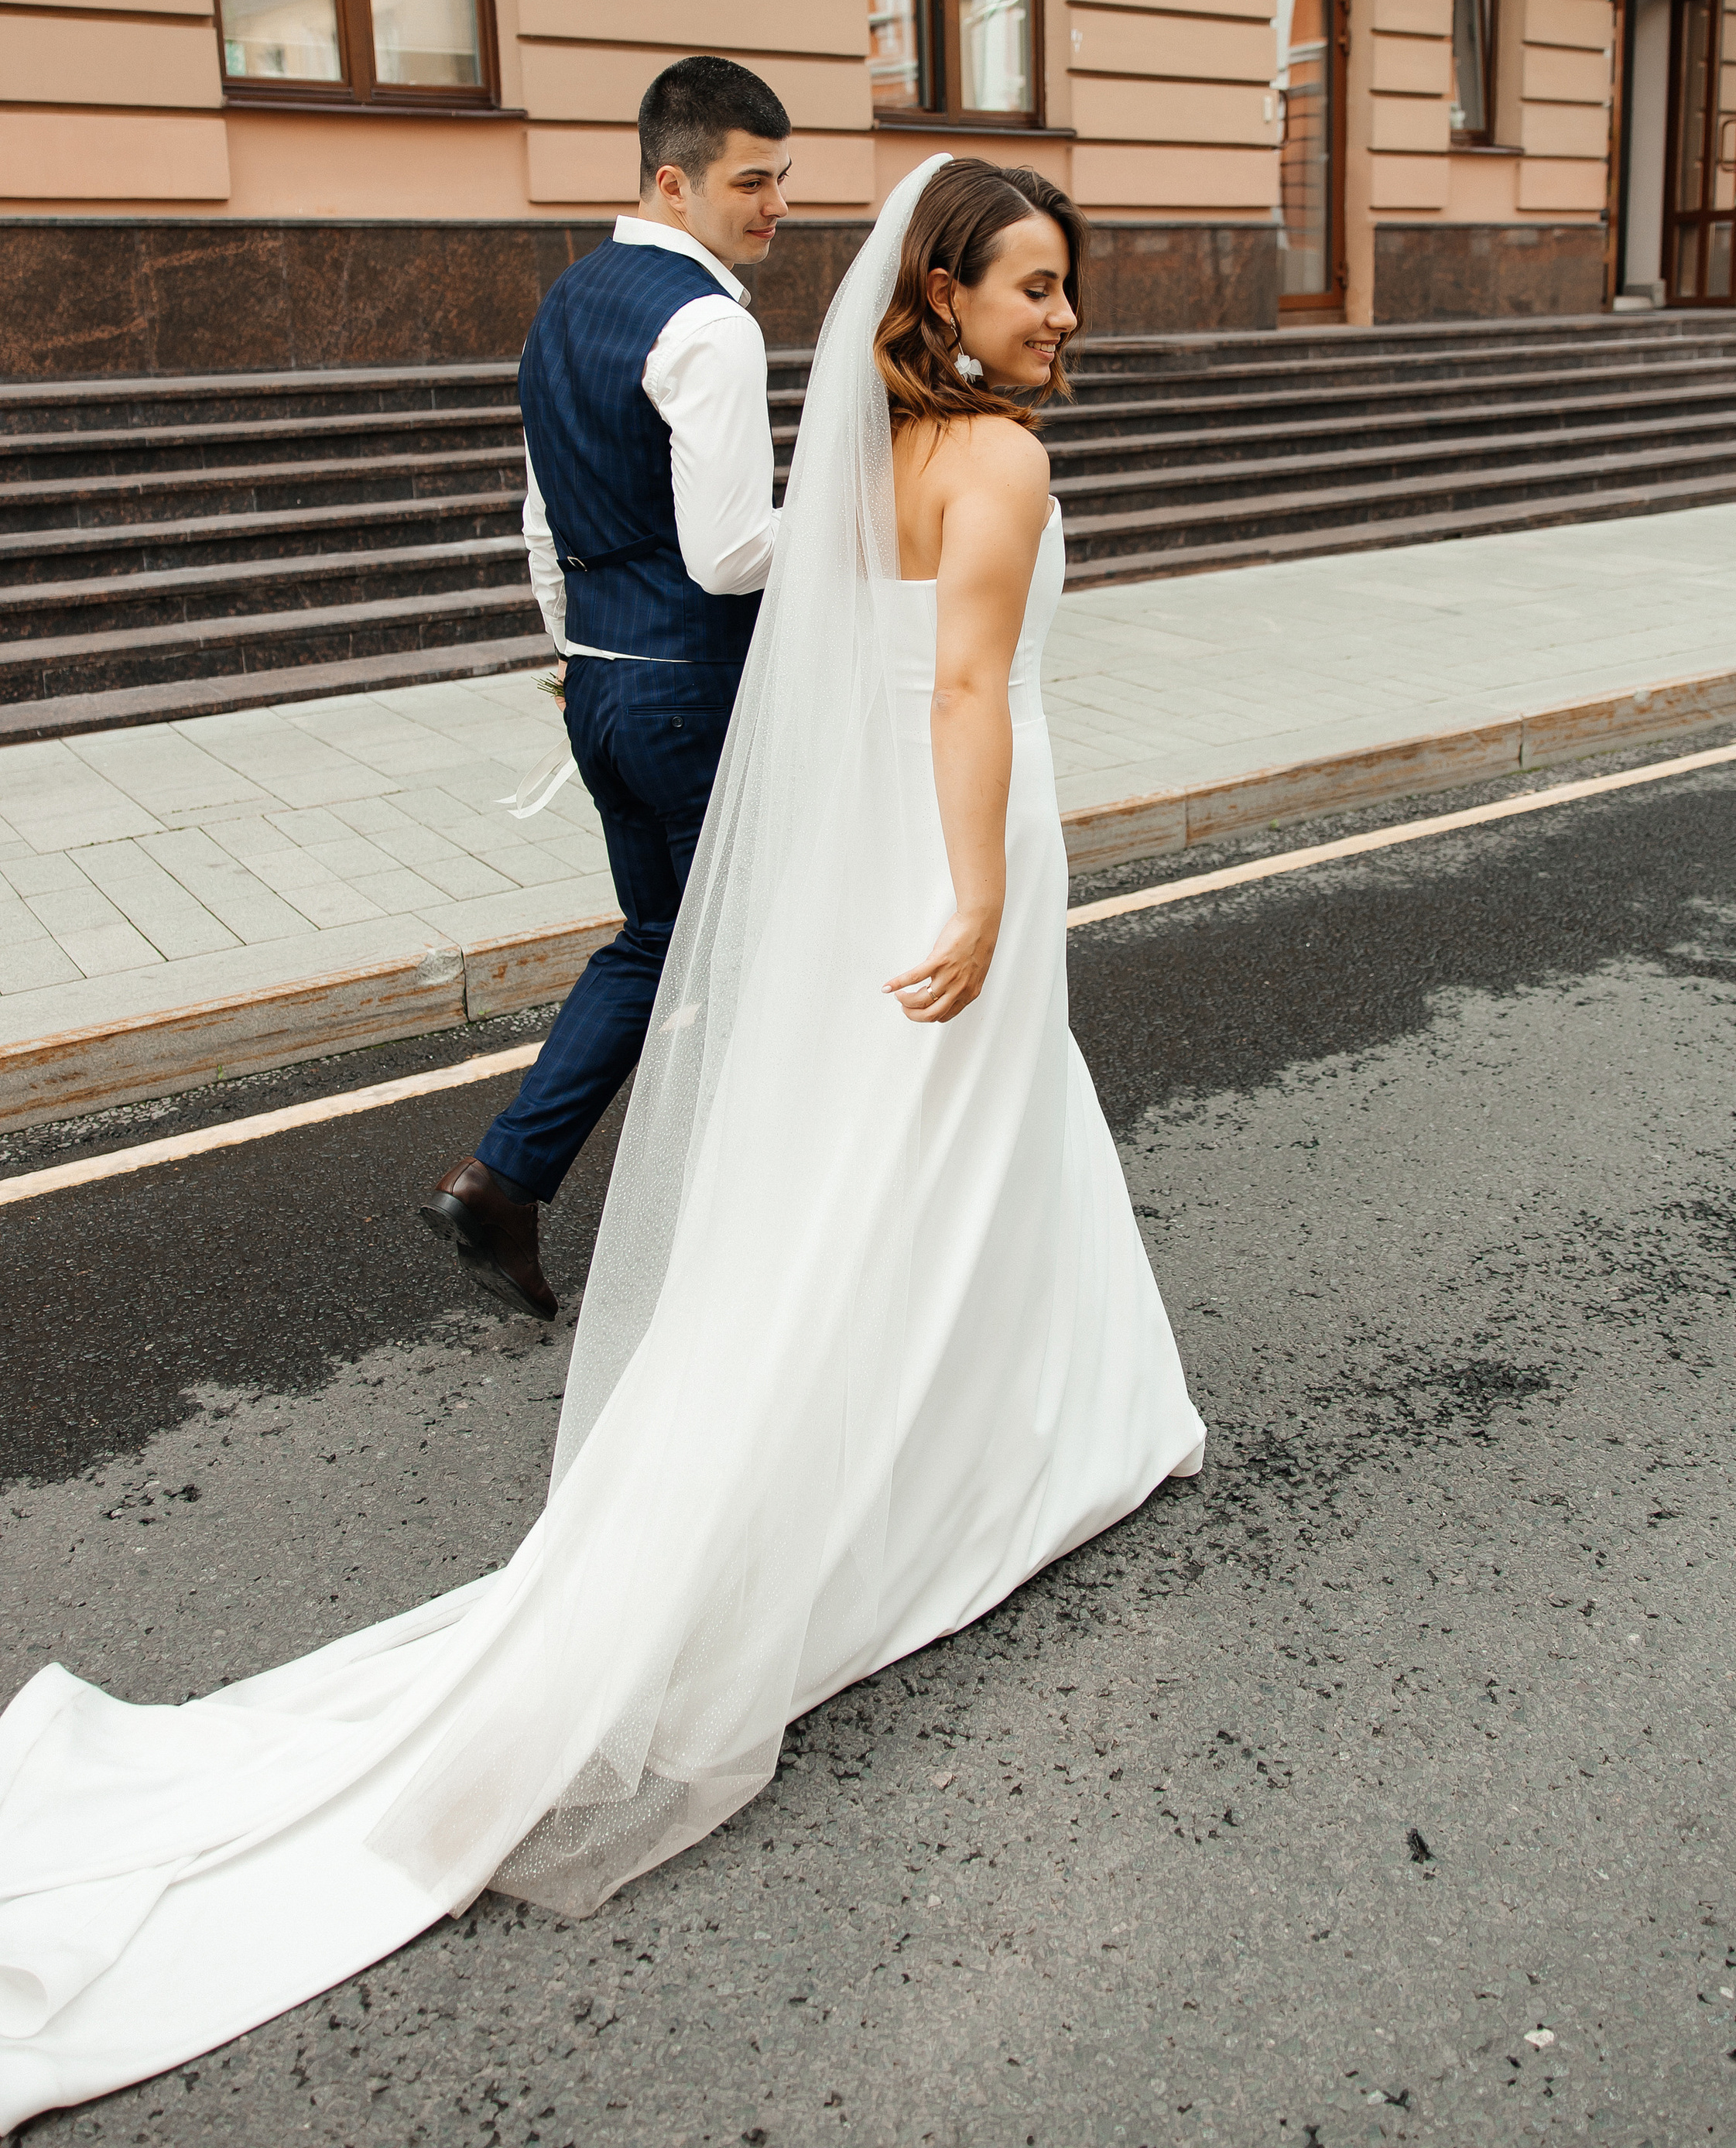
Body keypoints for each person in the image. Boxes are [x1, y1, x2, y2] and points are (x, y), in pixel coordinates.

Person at [0, 156, 1204, 2129]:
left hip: (859, 846)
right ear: (947, 294)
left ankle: (1055, 1425)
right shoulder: (995, 463)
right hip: (947, 842)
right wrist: (977, 900)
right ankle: (996, 1455)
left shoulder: (874, 441)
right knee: (943, 1152)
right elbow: (970, 687)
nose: (1062, 317)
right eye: (1035, 287)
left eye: (1069, 288)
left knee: (891, 1172)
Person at [423, 53, 792, 1321]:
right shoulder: (711, 324)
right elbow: (735, 550)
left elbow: (541, 524)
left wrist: (577, 657)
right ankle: (746, 1253)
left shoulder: (567, 303)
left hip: (602, 688)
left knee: (657, 942)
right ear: (671, 179)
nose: (773, 207)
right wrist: (871, 516)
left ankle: (504, 1180)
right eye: (752, 182)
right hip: (691, 689)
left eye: (780, 181)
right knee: (756, 958)